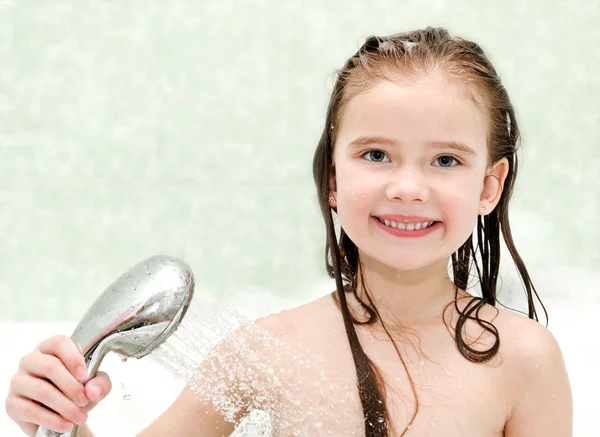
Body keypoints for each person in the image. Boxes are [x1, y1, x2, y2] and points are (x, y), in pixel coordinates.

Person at [5, 26, 573, 437]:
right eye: (376, 154)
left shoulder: (524, 361)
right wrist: (58, 417)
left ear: (489, 187)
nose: (407, 187)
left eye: (445, 161)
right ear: (333, 179)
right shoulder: (268, 352)